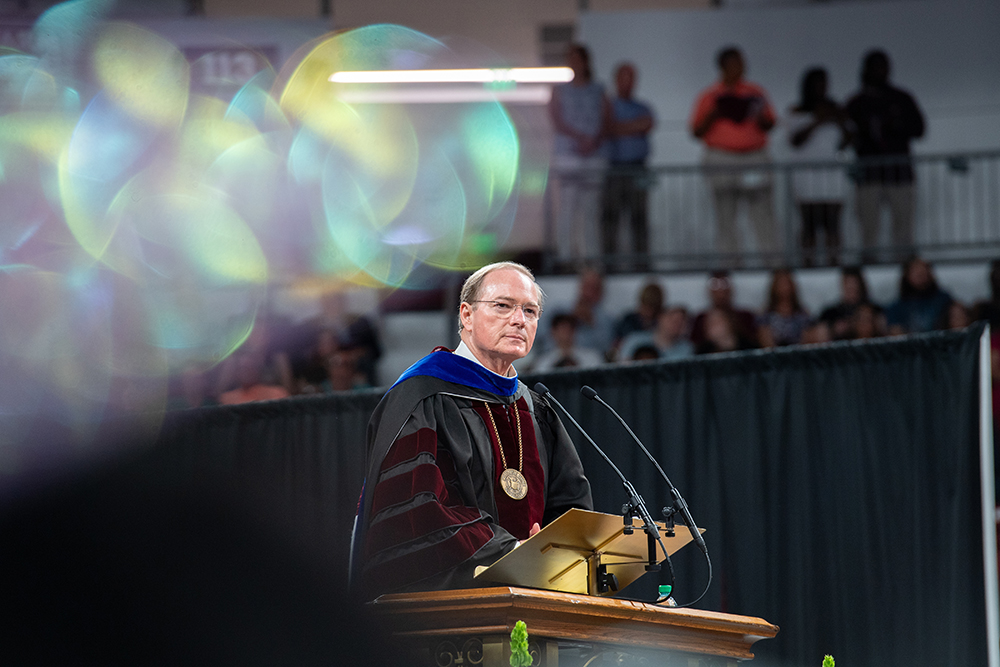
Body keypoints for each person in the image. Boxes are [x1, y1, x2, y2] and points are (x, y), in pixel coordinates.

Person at [355, 262, 593, 600]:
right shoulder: (422, 396)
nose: (518, 320)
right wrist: (510, 550)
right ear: (466, 315)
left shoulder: (536, 409)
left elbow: (571, 506)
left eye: (530, 310)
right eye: (503, 305)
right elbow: (418, 509)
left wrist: (553, 553)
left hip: (537, 603)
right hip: (454, 611)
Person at [690, 46, 777, 262]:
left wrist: (756, 114)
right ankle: (731, 263)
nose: (741, 67)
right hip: (722, 158)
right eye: (736, 63)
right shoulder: (709, 95)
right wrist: (716, 112)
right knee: (726, 215)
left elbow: (770, 122)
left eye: (742, 62)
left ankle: (771, 263)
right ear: (723, 66)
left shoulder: (755, 92)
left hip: (753, 157)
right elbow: (696, 131)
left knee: (762, 213)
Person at [845, 50, 926, 262]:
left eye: (884, 66)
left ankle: (905, 264)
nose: (880, 71)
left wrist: (895, 125)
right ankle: (870, 262)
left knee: (902, 223)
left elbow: (919, 129)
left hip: (899, 173)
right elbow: (846, 135)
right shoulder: (857, 102)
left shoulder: (901, 98)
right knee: (869, 224)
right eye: (875, 66)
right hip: (869, 174)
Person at [549, 44, 610, 266]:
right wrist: (580, 138)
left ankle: (591, 258)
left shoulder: (598, 90)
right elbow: (556, 120)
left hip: (594, 156)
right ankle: (565, 257)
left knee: (590, 211)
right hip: (569, 157)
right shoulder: (559, 91)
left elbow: (606, 120)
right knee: (567, 208)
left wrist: (592, 141)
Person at [787, 67, 852, 266]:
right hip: (807, 180)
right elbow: (794, 140)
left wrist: (838, 119)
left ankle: (835, 261)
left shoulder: (836, 109)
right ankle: (809, 262)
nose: (822, 88)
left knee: (833, 222)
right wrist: (817, 120)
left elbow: (848, 140)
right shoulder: (797, 111)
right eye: (817, 83)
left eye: (824, 83)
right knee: (809, 223)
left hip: (833, 178)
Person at [601, 62, 655, 270]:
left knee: (639, 217)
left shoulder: (643, 107)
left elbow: (647, 123)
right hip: (615, 168)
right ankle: (610, 265)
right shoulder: (608, 107)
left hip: (638, 168)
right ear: (616, 80)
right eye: (623, 78)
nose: (627, 83)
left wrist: (619, 128)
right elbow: (607, 128)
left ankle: (642, 263)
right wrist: (632, 127)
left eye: (631, 78)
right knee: (611, 217)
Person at [690, 270, 758, 348]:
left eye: (725, 284)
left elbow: (753, 343)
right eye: (715, 284)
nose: (720, 290)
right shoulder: (701, 318)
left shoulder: (746, 316)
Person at [884, 257, 951, 335]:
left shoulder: (944, 301)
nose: (921, 275)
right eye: (916, 272)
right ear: (907, 275)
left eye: (923, 271)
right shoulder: (896, 308)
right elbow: (896, 333)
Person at [818, 266, 877, 340]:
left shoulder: (873, 310)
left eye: (854, 285)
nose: (852, 289)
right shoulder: (830, 313)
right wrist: (833, 330)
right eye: (848, 286)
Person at [757, 269, 812, 348]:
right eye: (781, 284)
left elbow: (807, 338)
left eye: (787, 283)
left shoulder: (802, 313)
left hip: (798, 354)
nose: (784, 288)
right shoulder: (765, 315)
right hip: (773, 355)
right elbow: (765, 340)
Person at [530, 314, 604, 372]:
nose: (565, 334)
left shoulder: (592, 358)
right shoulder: (543, 363)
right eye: (561, 330)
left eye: (568, 329)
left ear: (574, 331)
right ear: (553, 332)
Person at [618, 307, 694, 362]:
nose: (676, 324)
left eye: (681, 321)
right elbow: (623, 368)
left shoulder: (687, 349)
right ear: (660, 318)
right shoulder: (634, 340)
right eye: (672, 319)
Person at [218, 349, 291, 405]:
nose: (245, 373)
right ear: (236, 371)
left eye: (249, 368)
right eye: (242, 368)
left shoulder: (277, 393)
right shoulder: (226, 399)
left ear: (257, 369)